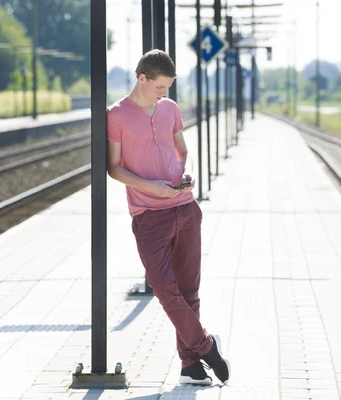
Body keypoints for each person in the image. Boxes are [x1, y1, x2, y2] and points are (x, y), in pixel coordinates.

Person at [106, 49, 230, 386]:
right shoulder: (116, 115)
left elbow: (182, 151)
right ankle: (207, 348)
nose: (165, 94)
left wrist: (183, 176)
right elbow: (113, 167)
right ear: (142, 78)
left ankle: (190, 365)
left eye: (169, 88)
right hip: (148, 215)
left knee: (189, 291)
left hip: (186, 208)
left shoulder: (170, 109)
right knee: (164, 288)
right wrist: (152, 187)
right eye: (160, 87)